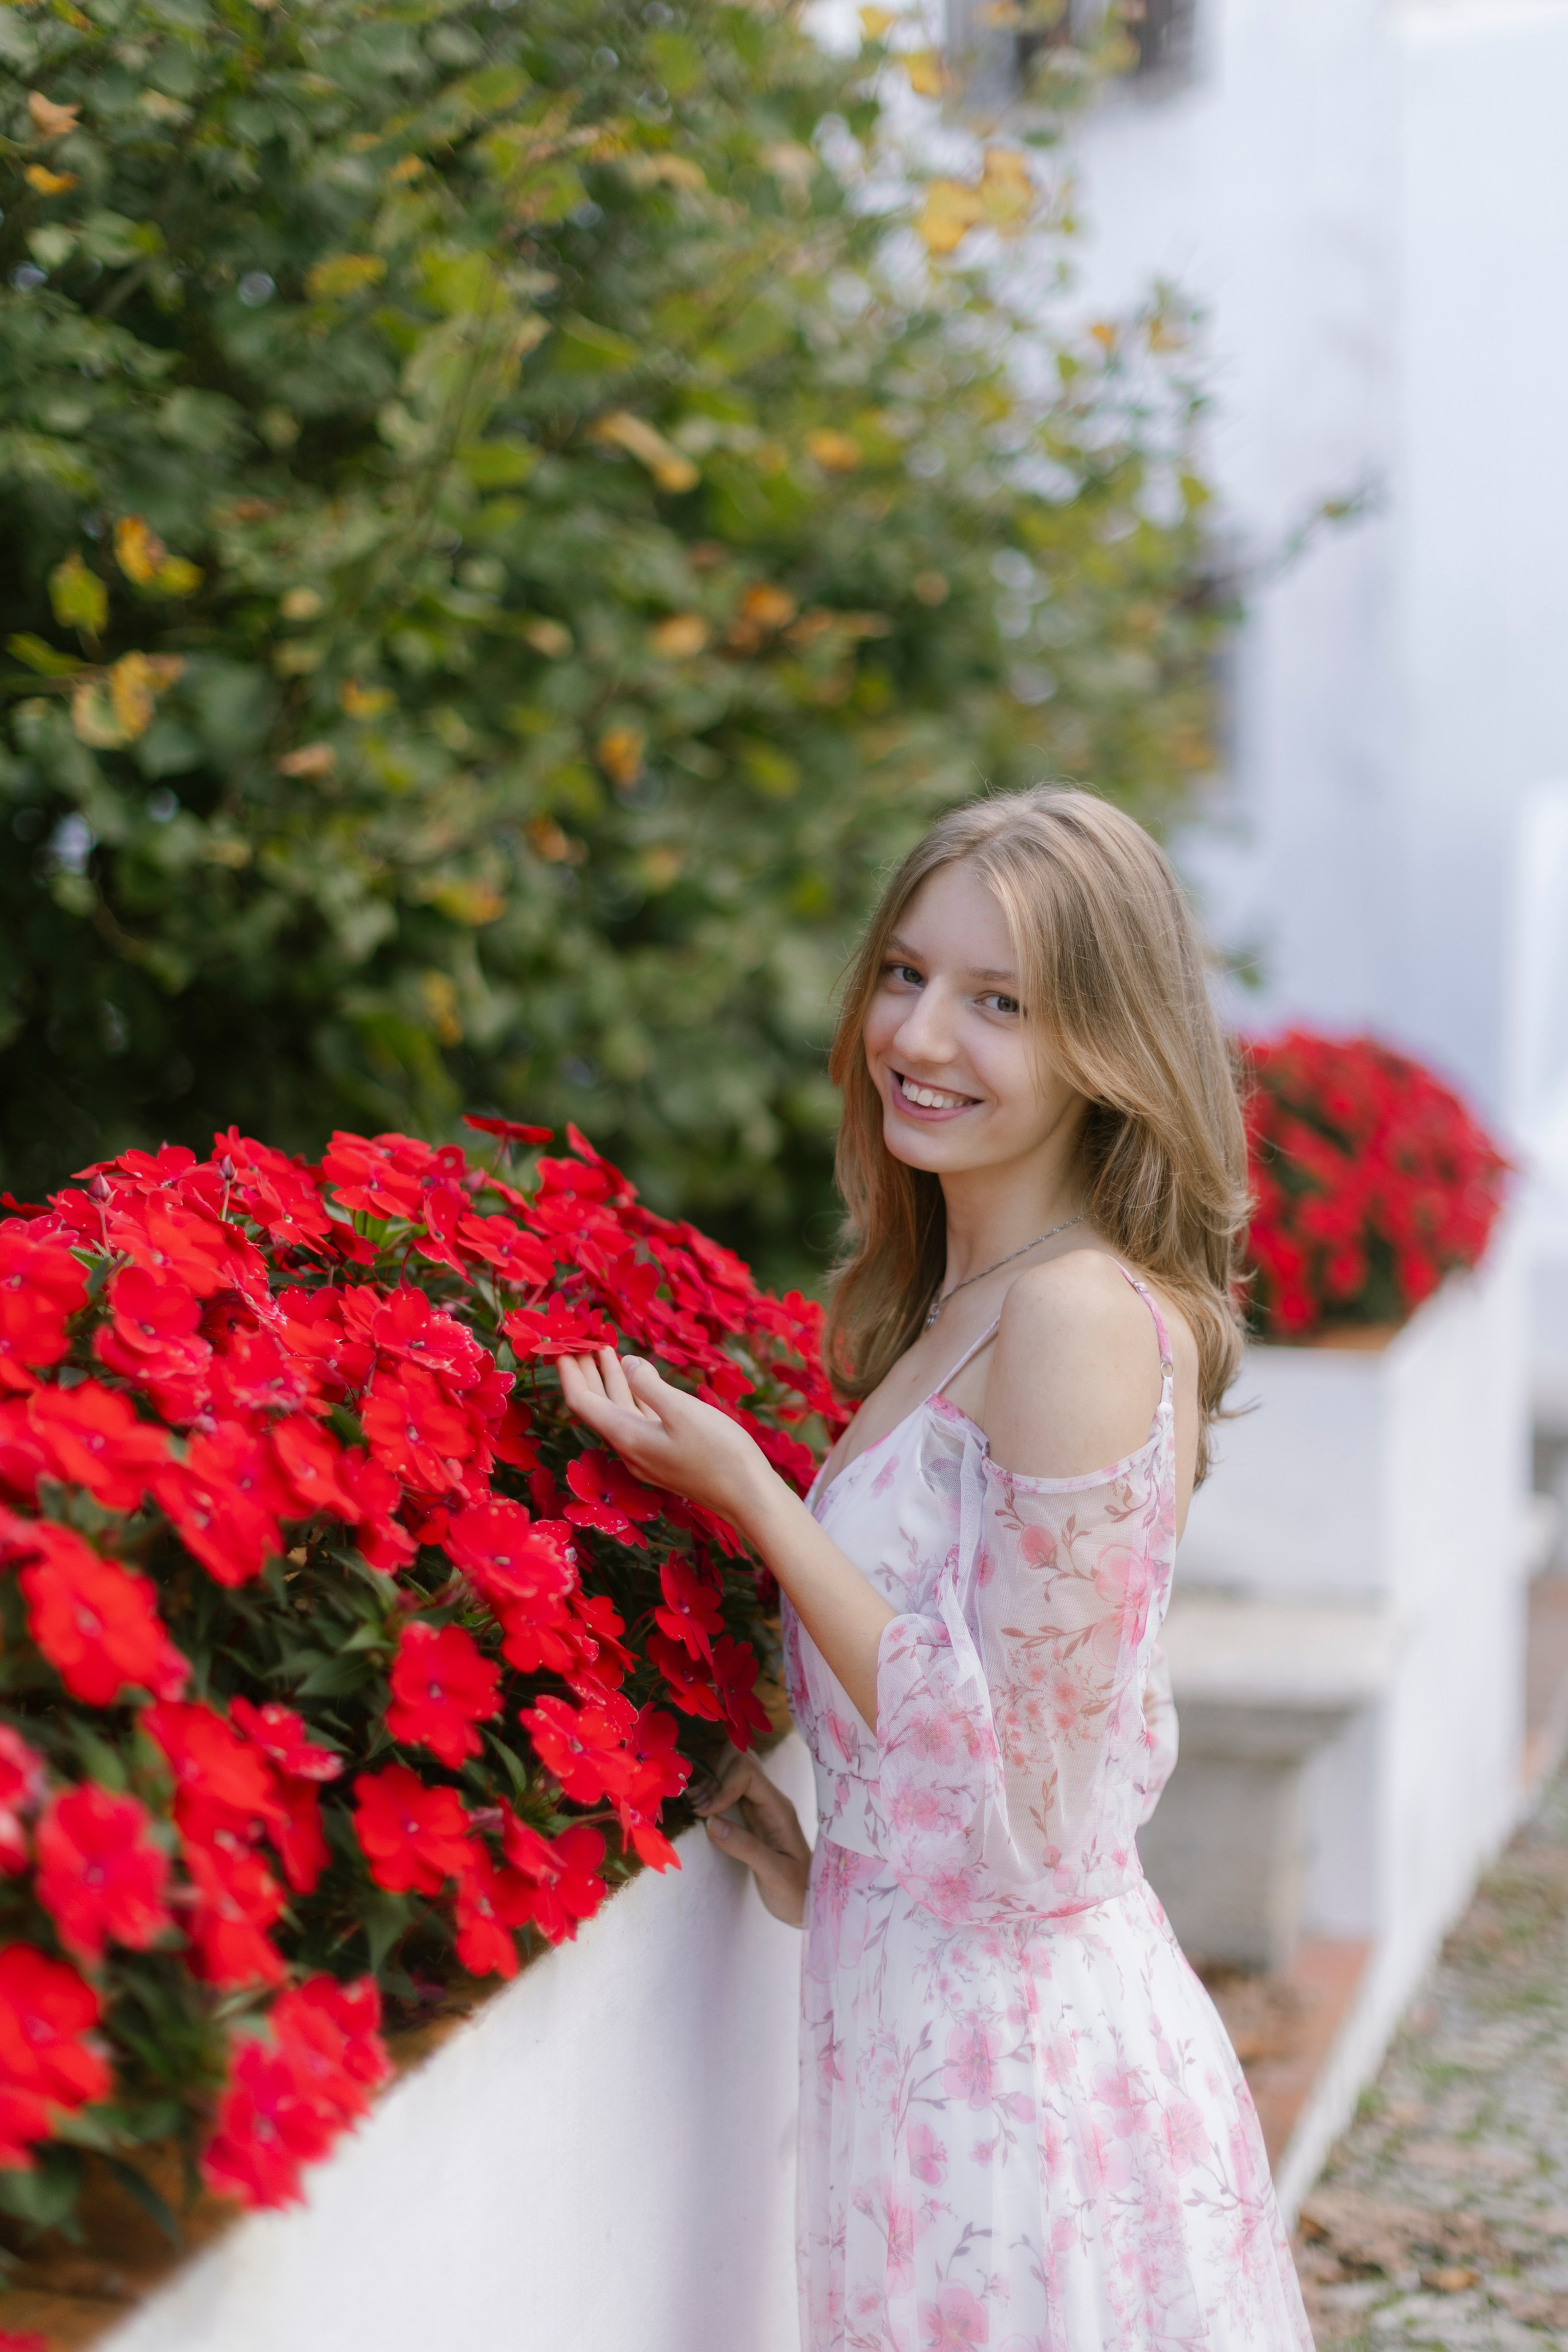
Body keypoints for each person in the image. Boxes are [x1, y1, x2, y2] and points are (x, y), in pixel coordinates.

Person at [559, 786, 1313, 2350]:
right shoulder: (960, 1306)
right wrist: (813, 1863)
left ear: (1104, 1046)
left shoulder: (1076, 1319)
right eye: (903, 975)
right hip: (917, 2060)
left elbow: (1037, 1817)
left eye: (998, 1004)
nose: (919, 1035)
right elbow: (981, 1762)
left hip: (1019, 2112)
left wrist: (756, 1499)